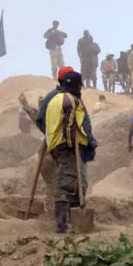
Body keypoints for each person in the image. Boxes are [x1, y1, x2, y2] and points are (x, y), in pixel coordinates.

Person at [36, 66, 98, 234]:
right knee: (68, 181)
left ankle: (74, 221)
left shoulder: (56, 98)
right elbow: (70, 124)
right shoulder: (68, 99)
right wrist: (71, 143)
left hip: (62, 145)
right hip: (69, 147)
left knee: (78, 183)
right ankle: (62, 224)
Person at [19, 92, 57, 217]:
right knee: (55, 186)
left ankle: (53, 212)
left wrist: (25, 104)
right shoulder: (51, 121)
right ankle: (53, 214)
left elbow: (36, 117)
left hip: (47, 157)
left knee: (52, 186)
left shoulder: (47, 122)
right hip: (52, 157)